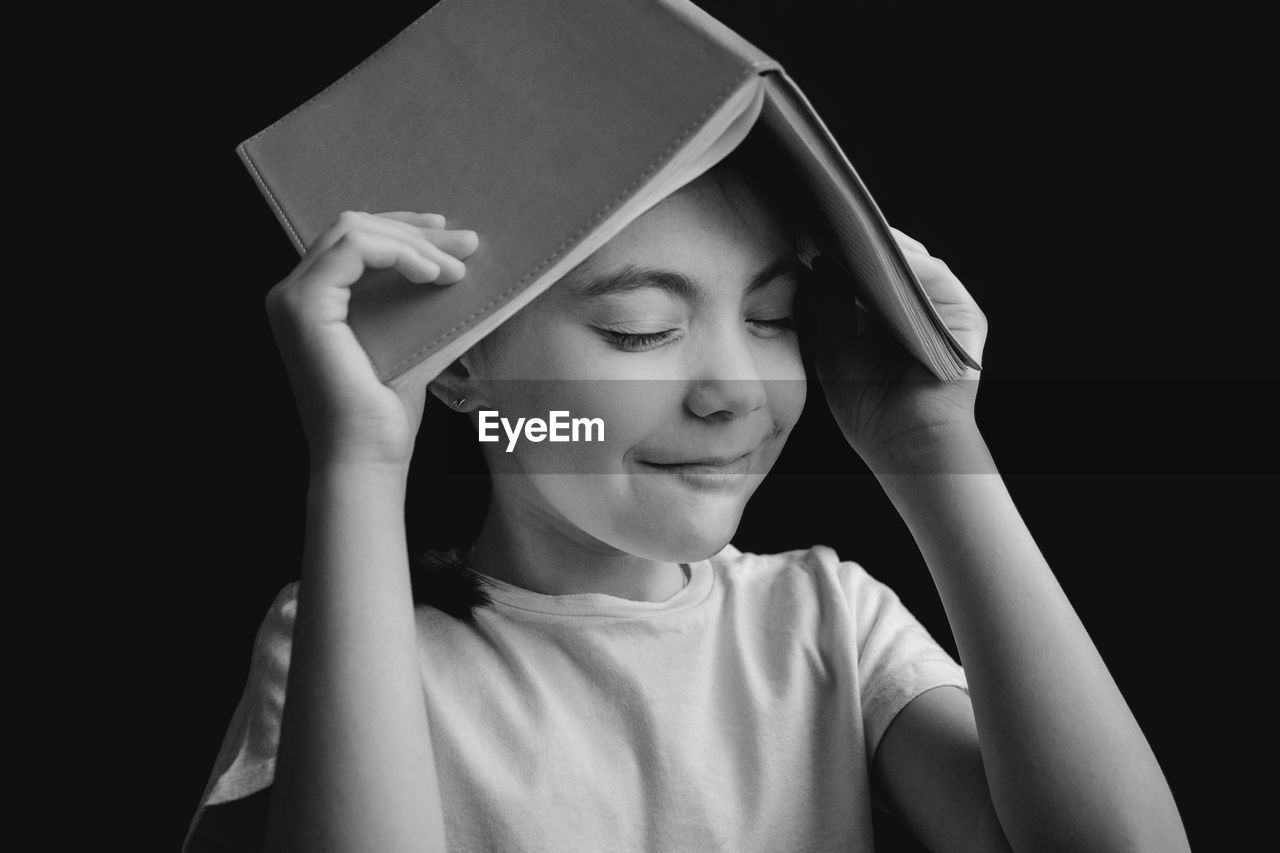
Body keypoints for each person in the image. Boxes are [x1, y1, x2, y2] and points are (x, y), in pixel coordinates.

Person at [183, 137, 1191, 851]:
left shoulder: (828, 624)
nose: (732, 392)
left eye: (773, 315)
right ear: (456, 364)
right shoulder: (346, 643)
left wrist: (932, 444)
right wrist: (359, 463)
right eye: (638, 329)